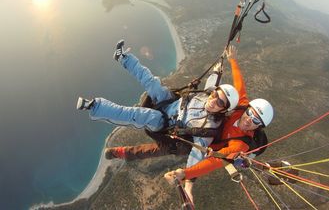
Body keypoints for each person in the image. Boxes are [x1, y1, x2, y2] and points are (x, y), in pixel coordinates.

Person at [77, 39, 239, 170]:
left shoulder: (208, 129)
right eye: (215, 95)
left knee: (141, 115)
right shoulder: (208, 95)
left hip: (165, 125)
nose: (213, 99)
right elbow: (212, 83)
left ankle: (94, 107)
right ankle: (123, 58)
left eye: (219, 101)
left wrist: (187, 176)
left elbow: (197, 155)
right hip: (171, 102)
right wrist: (221, 66)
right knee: (153, 83)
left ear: (224, 110)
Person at [164, 46, 274, 203]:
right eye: (250, 113)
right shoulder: (242, 105)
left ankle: (190, 188)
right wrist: (233, 59)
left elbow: (215, 161)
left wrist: (185, 174)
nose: (249, 119)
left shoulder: (240, 144)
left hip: (222, 147)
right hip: (216, 134)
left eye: (256, 120)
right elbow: (239, 83)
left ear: (259, 126)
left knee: (217, 155)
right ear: (248, 109)